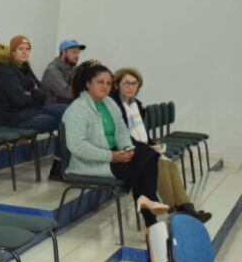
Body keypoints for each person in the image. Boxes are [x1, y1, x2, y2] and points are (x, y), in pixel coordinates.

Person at [62, 61, 168, 227]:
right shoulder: (78, 109)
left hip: (114, 154)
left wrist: (128, 148)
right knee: (140, 168)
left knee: (149, 154)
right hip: (90, 162)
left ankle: (148, 205)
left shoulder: (109, 103)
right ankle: (150, 216)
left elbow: (121, 131)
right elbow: (77, 146)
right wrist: (111, 156)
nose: (105, 86)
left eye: (109, 83)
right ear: (88, 84)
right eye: (100, 82)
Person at [112, 67, 211, 222]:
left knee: (168, 163)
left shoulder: (136, 105)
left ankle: (185, 209)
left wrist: (152, 143)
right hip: (127, 152)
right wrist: (147, 147)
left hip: (142, 149)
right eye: (126, 83)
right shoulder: (114, 105)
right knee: (161, 163)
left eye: (134, 83)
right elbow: (123, 135)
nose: (131, 87)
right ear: (117, 84)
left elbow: (141, 131)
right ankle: (181, 210)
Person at [0, 36, 65, 132]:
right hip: (14, 118)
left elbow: (43, 93)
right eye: (21, 49)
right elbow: (19, 100)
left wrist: (32, 92)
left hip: (32, 111)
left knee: (66, 110)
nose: (25, 52)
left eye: (27, 49)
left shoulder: (25, 67)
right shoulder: (6, 71)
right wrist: (34, 92)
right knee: (55, 120)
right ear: (13, 52)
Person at [41, 39, 85, 105]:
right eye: (74, 52)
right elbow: (67, 93)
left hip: (68, 104)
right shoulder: (52, 70)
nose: (77, 56)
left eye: (78, 52)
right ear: (64, 52)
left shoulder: (73, 68)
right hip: (54, 106)